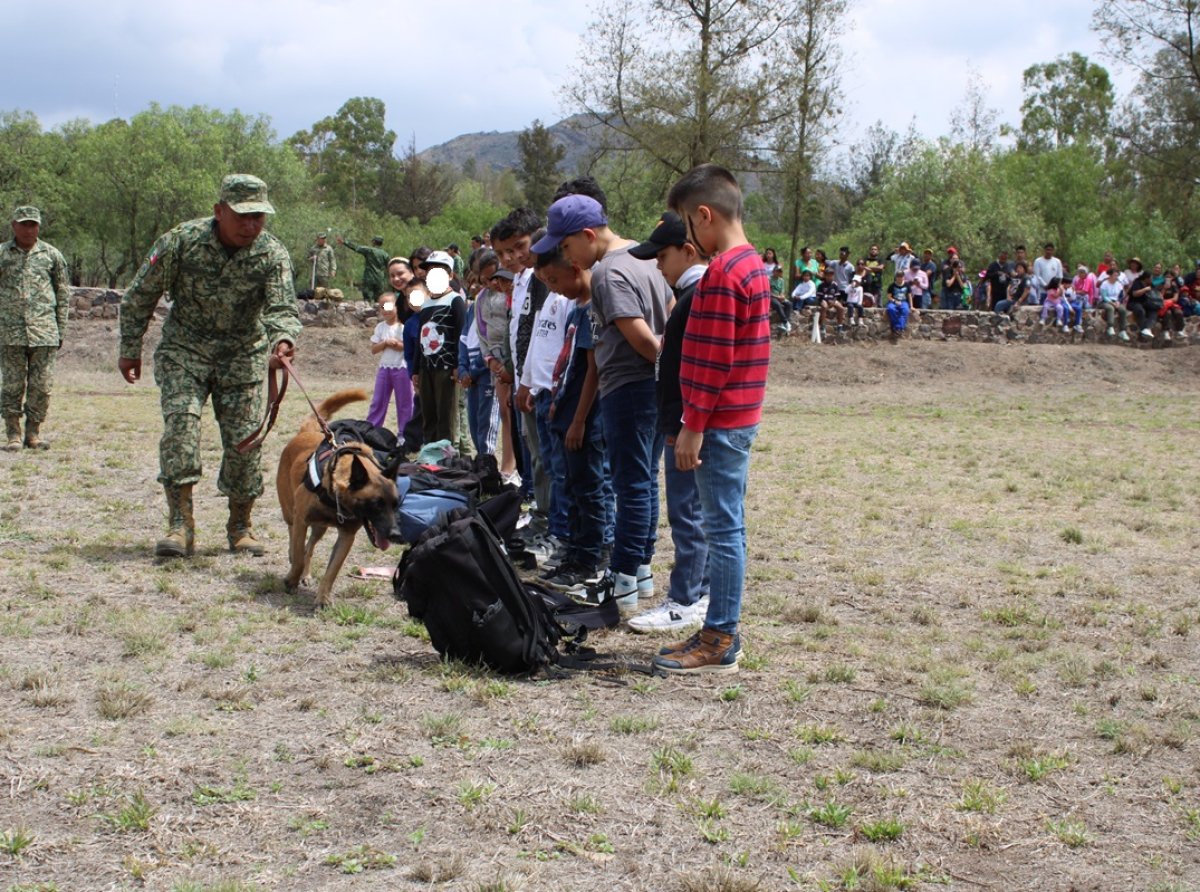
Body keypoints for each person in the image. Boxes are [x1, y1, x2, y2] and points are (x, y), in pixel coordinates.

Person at [118, 174, 300, 558]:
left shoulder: (272, 253)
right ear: (219, 212)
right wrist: (130, 347)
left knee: (245, 443)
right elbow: (140, 295)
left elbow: (283, 307)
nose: (251, 225)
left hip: (243, 354)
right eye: (242, 216)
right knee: (181, 430)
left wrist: (283, 338)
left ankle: (240, 527)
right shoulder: (181, 242)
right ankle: (179, 525)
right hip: (185, 350)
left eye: (259, 217)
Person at [652, 164, 770, 674]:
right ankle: (718, 629)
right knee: (729, 527)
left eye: (687, 222)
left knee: (722, 530)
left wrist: (692, 424)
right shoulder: (752, 265)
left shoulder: (724, 273)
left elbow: (714, 358)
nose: (691, 237)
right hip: (734, 418)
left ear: (705, 215)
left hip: (717, 423)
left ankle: (721, 636)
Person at [539, 193, 671, 614]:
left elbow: (642, 341)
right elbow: (670, 311)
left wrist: (666, 364)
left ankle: (622, 578)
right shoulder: (645, 258)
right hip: (651, 387)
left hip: (630, 386)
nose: (567, 256)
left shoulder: (609, 273)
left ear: (587, 235)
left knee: (629, 485)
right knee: (645, 480)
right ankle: (641, 572)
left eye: (565, 246)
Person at [626, 212, 710, 633]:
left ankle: (685, 599)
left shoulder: (696, 298)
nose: (657, 265)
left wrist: (683, 425)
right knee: (692, 512)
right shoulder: (688, 295)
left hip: (685, 426)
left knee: (687, 513)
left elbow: (696, 369)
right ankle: (701, 591)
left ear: (688, 251)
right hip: (681, 422)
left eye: (662, 256)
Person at [534, 248, 613, 592]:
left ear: (576, 268)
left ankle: (591, 558)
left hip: (585, 419)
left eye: (554, 279)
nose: (552, 288)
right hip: (566, 412)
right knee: (573, 486)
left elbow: (593, 370)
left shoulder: (592, 309)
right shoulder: (575, 309)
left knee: (590, 489)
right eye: (546, 282)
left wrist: (580, 420)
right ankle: (577, 553)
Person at [1, 206, 71, 451]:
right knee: (12, 385)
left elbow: (63, 294)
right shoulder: (2, 254)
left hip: (44, 332)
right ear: (14, 226)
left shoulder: (52, 256)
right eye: (24, 224)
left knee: (41, 387)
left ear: (39, 226)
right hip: (10, 333)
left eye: (33, 224)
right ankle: (12, 434)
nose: (29, 229)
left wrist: (61, 329)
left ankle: (34, 433)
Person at [412, 250, 466, 444]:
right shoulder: (426, 304)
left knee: (446, 416)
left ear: (450, 275)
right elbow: (421, 336)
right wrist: (416, 369)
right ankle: (429, 456)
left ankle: (445, 459)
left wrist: (459, 364)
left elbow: (461, 335)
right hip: (426, 367)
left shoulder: (455, 301)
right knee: (428, 416)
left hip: (446, 368)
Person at [367, 291, 412, 434]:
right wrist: (385, 342)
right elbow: (374, 349)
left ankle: (404, 434)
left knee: (405, 403)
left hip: (402, 368)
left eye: (388, 305)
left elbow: (409, 346)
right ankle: (371, 430)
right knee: (378, 401)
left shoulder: (403, 326)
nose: (385, 310)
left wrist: (397, 344)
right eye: (381, 307)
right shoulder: (380, 327)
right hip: (384, 369)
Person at [338, 233, 389, 302]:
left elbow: (356, 247)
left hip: (369, 278)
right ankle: (379, 312)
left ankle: (368, 310)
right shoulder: (385, 254)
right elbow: (389, 267)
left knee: (367, 299)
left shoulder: (369, 250)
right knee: (379, 299)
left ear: (374, 242)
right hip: (380, 279)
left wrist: (344, 242)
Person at [1096, 266, 1130, 340]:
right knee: (1110, 308)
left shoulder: (1119, 284)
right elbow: (1104, 296)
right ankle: (1110, 327)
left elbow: (1120, 296)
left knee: (1122, 310)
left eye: (1117, 275)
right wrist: (1112, 303)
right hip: (1104, 301)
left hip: (1115, 301)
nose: (1116, 277)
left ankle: (1123, 331)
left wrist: (1118, 302)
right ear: (1110, 275)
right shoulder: (1105, 284)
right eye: (1115, 275)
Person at [885, 271, 911, 339]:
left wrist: (912, 306)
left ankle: (899, 328)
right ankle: (897, 326)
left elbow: (909, 296)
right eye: (898, 276)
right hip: (893, 301)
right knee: (891, 309)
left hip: (903, 301)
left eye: (901, 276)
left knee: (905, 310)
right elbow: (889, 296)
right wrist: (894, 301)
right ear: (896, 277)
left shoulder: (907, 285)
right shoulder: (892, 285)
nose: (900, 278)